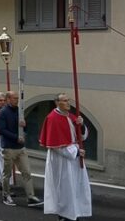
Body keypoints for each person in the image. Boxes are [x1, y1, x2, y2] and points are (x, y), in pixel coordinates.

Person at [40, 93, 91, 221]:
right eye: (64, 101)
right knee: (64, 187)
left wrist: (81, 125)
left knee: (76, 186)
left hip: (74, 157)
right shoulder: (52, 118)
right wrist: (76, 152)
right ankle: (64, 214)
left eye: (68, 100)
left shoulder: (71, 116)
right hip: (61, 159)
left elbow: (82, 136)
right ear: (57, 103)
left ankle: (75, 212)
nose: (68, 103)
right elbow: (56, 146)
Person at [0, 91, 43, 207]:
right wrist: (16, 138)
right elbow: (1, 130)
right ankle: (6, 195)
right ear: (8, 99)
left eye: (17, 98)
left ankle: (30, 196)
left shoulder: (19, 111)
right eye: (14, 98)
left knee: (26, 172)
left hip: (21, 148)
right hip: (9, 147)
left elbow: (23, 128)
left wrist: (24, 126)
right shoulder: (2, 113)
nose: (17, 100)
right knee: (7, 174)